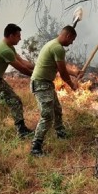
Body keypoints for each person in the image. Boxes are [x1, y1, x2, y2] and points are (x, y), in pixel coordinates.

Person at [30, 25, 80, 157]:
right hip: (41, 84)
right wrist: (71, 84)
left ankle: (60, 132)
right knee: (47, 115)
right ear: (68, 36)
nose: (71, 43)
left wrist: (74, 72)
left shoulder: (52, 44)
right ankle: (36, 146)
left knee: (57, 109)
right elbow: (62, 72)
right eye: (72, 40)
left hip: (45, 84)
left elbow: (60, 66)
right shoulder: (58, 48)